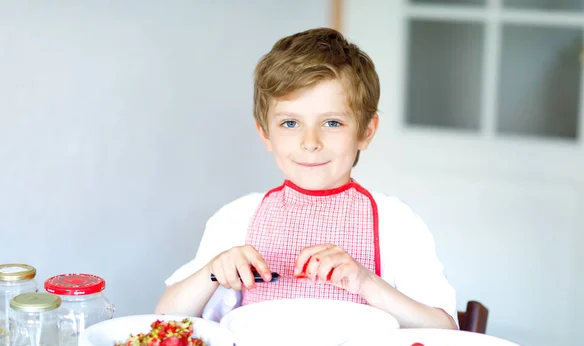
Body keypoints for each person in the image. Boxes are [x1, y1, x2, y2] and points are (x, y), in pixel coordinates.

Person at [155, 27, 458, 329]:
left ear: (365, 131)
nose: (310, 141)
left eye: (332, 122)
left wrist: (367, 283)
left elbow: (446, 331)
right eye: (290, 123)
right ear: (265, 134)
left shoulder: (396, 223)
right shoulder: (237, 219)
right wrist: (212, 271)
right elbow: (163, 318)